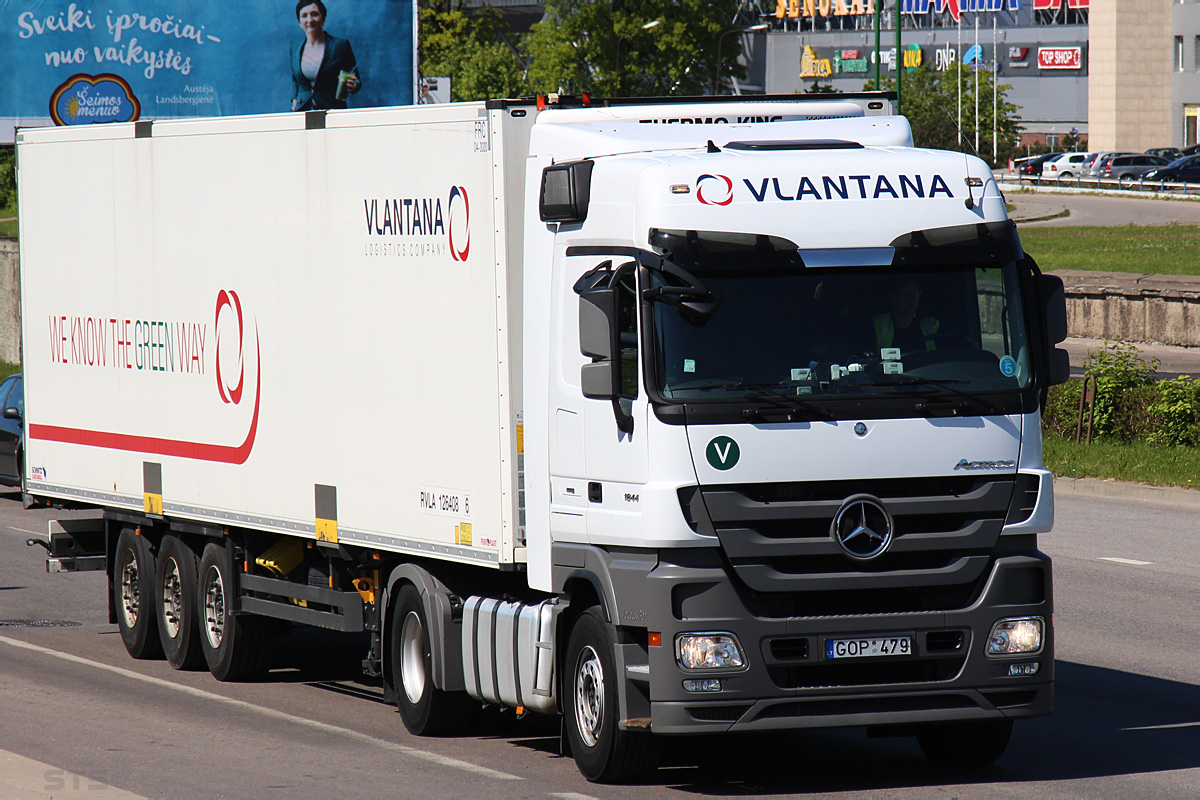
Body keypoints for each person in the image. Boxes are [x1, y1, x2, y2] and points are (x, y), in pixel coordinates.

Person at [290, 1, 361, 111]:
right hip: (302, 110)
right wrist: (294, 100)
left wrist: (354, 85)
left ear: (323, 19)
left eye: (315, 14)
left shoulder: (340, 45)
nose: (310, 20)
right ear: (299, 22)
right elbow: (295, 77)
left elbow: (356, 79)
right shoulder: (295, 48)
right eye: (304, 16)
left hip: (332, 111)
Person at [871, 277, 940, 352]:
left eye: (915, 292)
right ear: (893, 297)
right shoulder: (876, 326)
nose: (911, 297)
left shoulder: (933, 325)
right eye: (905, 292)